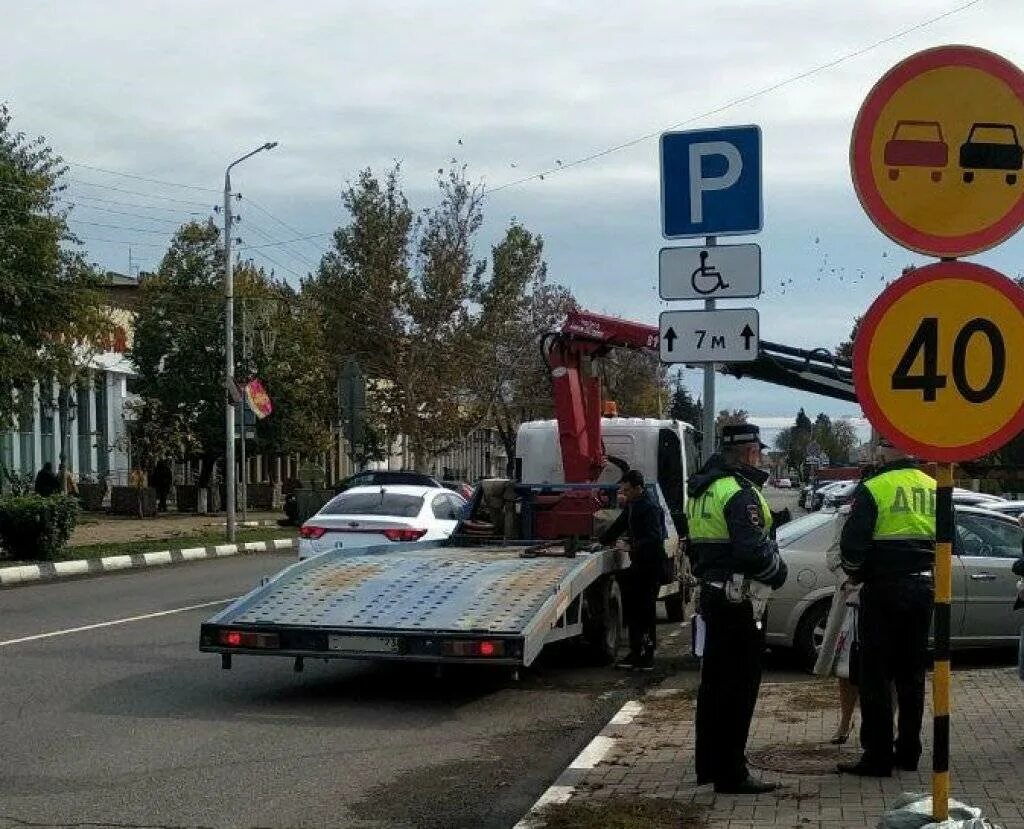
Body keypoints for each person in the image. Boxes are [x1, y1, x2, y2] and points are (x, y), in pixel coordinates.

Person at [687, 423, 788, 795]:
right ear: (749, 453)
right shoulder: (739, 492)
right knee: (739, 688)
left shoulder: (702, 489)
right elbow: (752, 550)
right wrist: (779, 571)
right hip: (740, 601)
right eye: (758, 451)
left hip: (714, 595)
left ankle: (712, 767)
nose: (759, 456)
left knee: (713, 687)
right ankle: (733, 773)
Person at [838, 436, 935, 777]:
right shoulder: (933, 485)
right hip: (923, 587)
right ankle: (909, 751)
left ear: (883, 451)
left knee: (875, 675)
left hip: (882, 589)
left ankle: (877, 756)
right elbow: (949, 537)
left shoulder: (874, 487)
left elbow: (851, 547)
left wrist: (859, 574)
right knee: (912, 675)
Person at [599, 469, 666, 672]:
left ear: (638, 488)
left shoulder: (649, 507)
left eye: (627, 490)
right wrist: (602, 540)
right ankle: (636, 651)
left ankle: (646, 654)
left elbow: (655, 538)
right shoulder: (633, 503)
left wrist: (632, 547)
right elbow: (620, 524)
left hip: (650, 565)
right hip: (640, 563)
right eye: (623, 490)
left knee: (644, 610)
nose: (624, 494)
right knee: (634, 610)